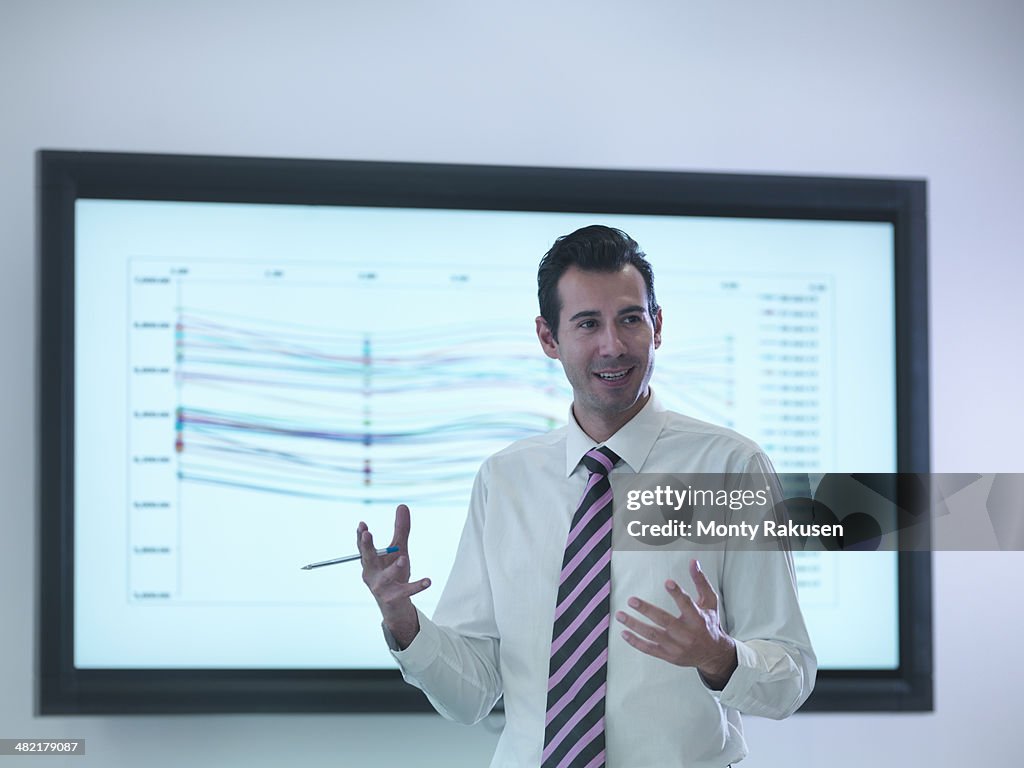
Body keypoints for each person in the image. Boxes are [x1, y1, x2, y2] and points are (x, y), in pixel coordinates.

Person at [358, 225, 816, 767]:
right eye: (587, 324)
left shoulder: (732, 469)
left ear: (658, 325)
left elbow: (791, 678)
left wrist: (720, 657)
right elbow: (472, 694)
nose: (613, 345)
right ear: (548, 338)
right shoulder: (505, 480)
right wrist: (404, 621)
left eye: (630, 319)